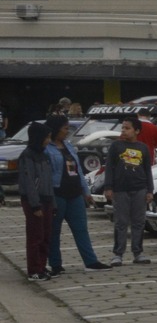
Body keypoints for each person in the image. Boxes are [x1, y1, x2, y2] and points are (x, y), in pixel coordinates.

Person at [44, 116, 108, 272]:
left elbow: (78, 169)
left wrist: (86, 192)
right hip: (57, 194)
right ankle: (56, 264)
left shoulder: (68, 146)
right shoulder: (46, 148)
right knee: (54, 231)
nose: (67, 131)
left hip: (75, 194)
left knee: (81, 228)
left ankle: (91, 261)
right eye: (65, 128)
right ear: (55, 129)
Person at [105, 118, 154, 264]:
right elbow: (109, 168)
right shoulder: (116, 146)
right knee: (121, 222)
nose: (124, 131)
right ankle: (118, 254)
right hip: (120, 190)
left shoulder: (143, 148)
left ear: (137, 131)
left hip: (140, 189)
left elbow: (148, 170)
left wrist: (150, 190)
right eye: (123, 128)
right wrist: (108, 187)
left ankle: (138, 252)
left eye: (127, 128)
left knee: (138, 222)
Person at [19, 121, 55, 280]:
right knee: (35, 236)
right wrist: (35, 205)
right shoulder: (27, 155)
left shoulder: (44, 154)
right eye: (46, 137)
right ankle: (33, 269)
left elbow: (49, 180)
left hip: (47, 200)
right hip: (34, 202)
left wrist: (53, 203)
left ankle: (41, 266)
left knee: (46, 235)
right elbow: (28, 182)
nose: (48, 141)